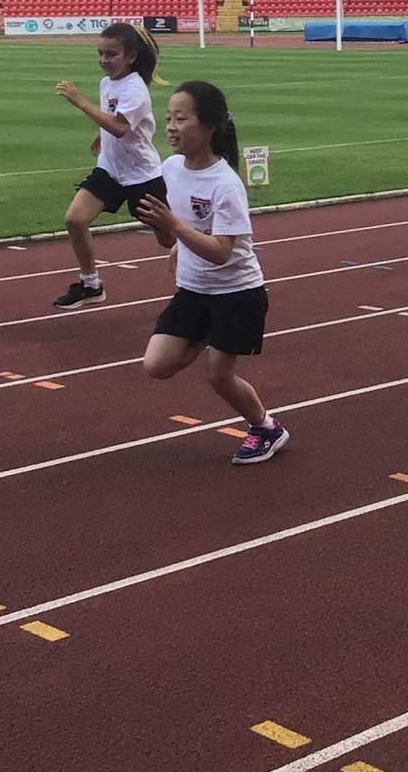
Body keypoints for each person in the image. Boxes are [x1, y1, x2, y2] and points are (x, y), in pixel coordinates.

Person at [134, 81, 288, 464]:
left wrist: (175, 227)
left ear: (208, 127)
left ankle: (265, 427)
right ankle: (205, 334)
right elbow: (173, 233)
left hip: (236, 293)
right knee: (156, 365)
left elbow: (221, 252)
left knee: (218, 375)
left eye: (181, 119)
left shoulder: (225, 184)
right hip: (193, 289)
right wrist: (166, 233)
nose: (171, 127)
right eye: (168, 118)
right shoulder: (171, 168)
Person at [51, 23, 165, 310]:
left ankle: (213, 270)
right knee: (75, 219)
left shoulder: (136, 88)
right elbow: (111, 118)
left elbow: (120, 128)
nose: (103, 60)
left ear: (131, 57)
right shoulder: (107, 83)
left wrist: (81, 102)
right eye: (100, 53)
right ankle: (91, 285)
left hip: (142, 175)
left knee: (168, 239)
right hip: (111, 170)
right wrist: (99, 136)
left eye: (111, 54)